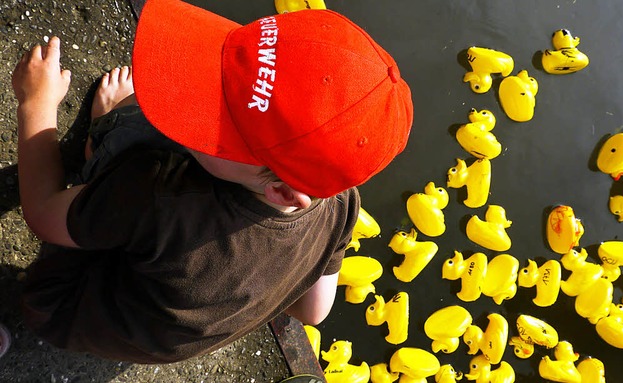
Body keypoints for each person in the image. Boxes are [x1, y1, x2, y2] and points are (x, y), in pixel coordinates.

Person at [12, 0, 413, 364]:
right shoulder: (342, 205)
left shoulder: (161, 194)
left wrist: (37, 103)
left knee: (138, 122)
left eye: (220, 122)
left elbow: (43, 213)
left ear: (283, 190)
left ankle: (102, 139)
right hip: (154, 340)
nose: (192, 92)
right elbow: (314, 312)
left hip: (62, 306)